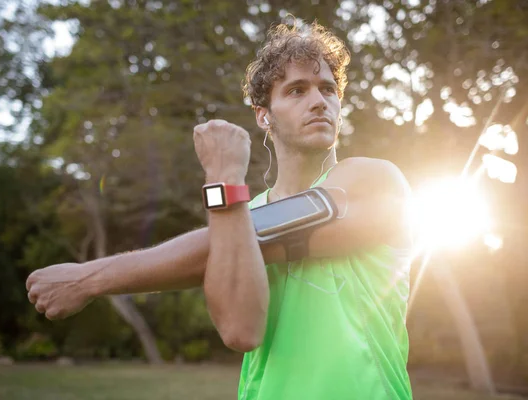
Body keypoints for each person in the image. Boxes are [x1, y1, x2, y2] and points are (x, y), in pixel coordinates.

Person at [26, 18, 414, 400]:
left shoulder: (375, 181)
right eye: (296, 90)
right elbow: (240, 330)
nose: (318, 101)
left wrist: (88, 278)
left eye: (328, 89)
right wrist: (227, 201)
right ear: (264, 115)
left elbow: (234, 238)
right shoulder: (237, 216)